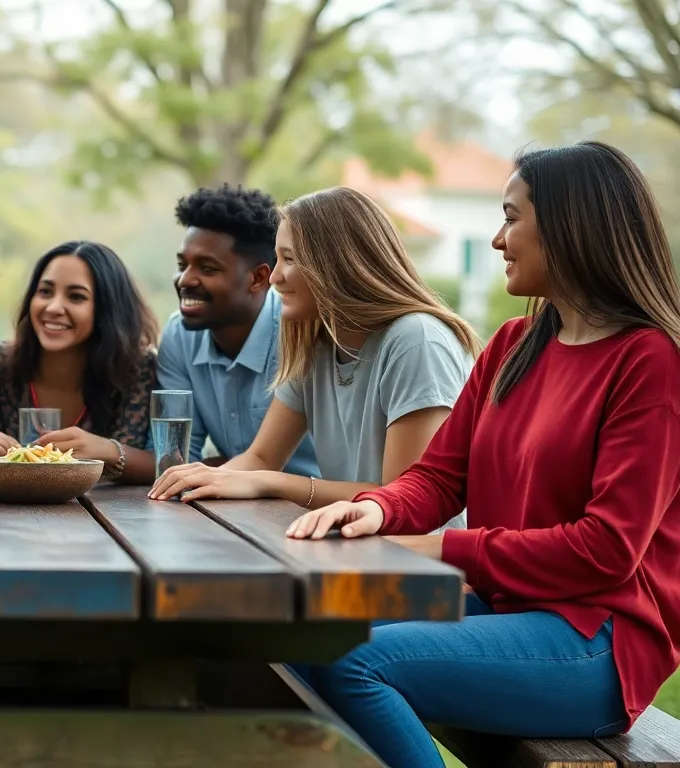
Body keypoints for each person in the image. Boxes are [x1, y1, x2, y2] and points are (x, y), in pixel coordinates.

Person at [284, 141, 680, 768]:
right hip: (504, 609)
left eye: (511, 217)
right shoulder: (515, 343)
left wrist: (441, 547)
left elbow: (607, 549)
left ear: (569, 227)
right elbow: (440, 476)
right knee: (298, 632)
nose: (497, 239)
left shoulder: (649, 361)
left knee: (356, 661)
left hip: (597, 643)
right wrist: (378, 512)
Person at [151, 186, 479, 524]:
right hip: (348, 544)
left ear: (339, 264)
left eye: (289, 259)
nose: (274, 277)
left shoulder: (416, 340)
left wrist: (268, 482)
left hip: (417, 560)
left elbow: (401, 497)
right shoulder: (315, 342)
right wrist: (197, 486)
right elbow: (261, 458)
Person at [155, 183, 318, 475]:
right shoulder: (179, 336)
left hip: (322, 508)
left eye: (207, 269)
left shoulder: (300, 332)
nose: (185, 280)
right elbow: (177, 459)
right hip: (234, 504)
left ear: (258, 278)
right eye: (183, 265)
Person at [0, 241, 159, 483]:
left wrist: (109, 451)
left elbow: (164, 465)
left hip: (111, 518)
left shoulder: (137, 369)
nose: (54, 307)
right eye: (45, 292)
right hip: (6, 515)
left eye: (76, 297)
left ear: (107, 309)